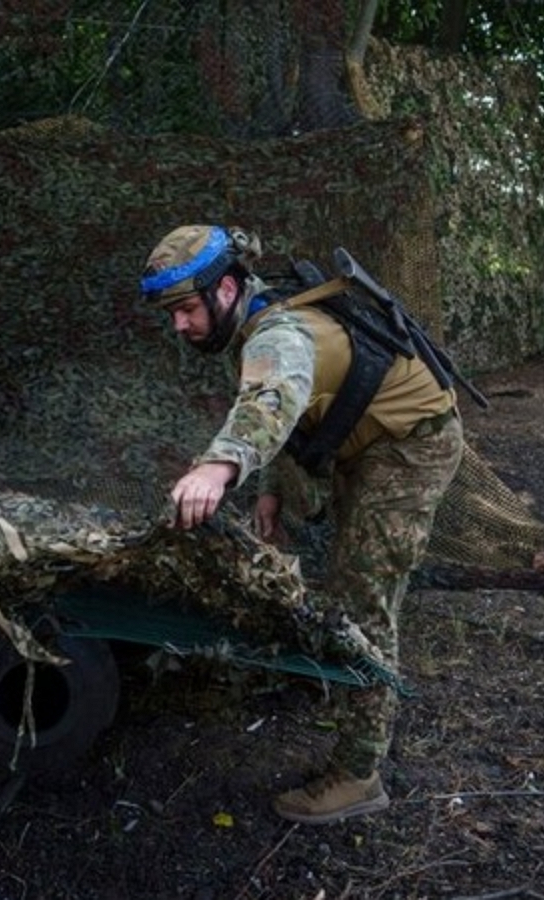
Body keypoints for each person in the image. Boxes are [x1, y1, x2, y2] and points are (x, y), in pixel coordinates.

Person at [138, 224, 463, 825]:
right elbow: (291, 408)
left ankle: (359, 775)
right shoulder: (259, 318)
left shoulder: (280, 333)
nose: (179, 327)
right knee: (343, 573)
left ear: (229, 289)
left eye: (185, 309)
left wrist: (219, 466)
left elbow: (273, 397)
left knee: (364, 602)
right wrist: (270, 492)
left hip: (410, 445)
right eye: (173, 315)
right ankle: (338, 680)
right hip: (360, 442)